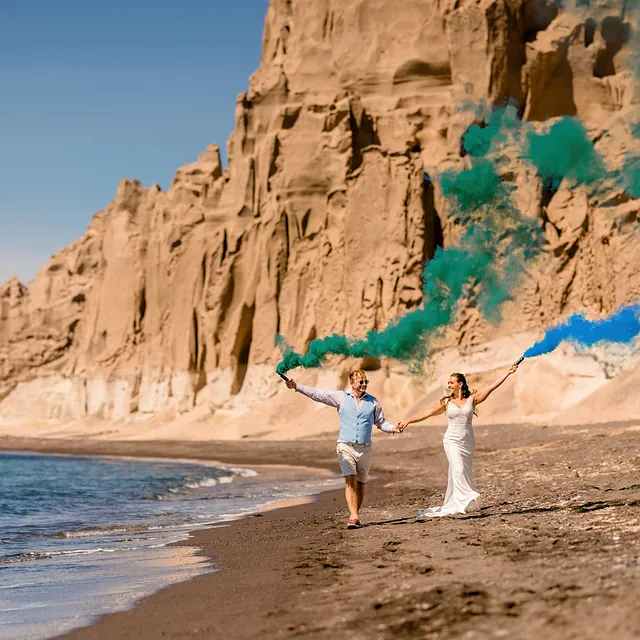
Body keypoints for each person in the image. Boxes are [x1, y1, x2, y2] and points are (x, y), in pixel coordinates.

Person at [285, 370, 401, 528]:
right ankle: (353, 516)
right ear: (352, 383)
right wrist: (297, 386)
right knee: (350, 479)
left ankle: (355, 515)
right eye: (361, 382)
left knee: (361, 483)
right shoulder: (341, 397)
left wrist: (394, 428)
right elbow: (318, 394)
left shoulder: (373, 402)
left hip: (365, 449)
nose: (364, 384)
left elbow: (381, 423)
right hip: (345, 445)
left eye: (366, 382)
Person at [397, 365, 518, 517]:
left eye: (451, 382)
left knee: (464, 471)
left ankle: (461, 502)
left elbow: (491, 387)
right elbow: (426, 413)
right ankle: (467, 496)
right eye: (448, 383)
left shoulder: (472, 399)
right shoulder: (446, 402)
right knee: (458, 468)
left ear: (460, 384)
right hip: (451, 440)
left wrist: (507, 373)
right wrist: (408, 420)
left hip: (467, 441)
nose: (449, 385)